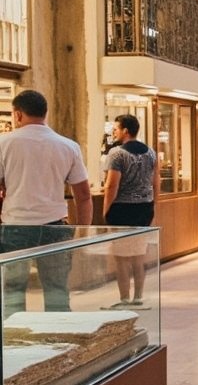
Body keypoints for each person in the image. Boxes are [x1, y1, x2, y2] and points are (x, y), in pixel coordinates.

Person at [0, 89, 93, 317]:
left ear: (18, 114)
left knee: (13, 291)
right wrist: (83, 231)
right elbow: (83, 195)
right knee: (57, 290)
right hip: (55, 227)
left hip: (15, 226)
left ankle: (16, 335)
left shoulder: (4, 143)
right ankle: (58, 335)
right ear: (45, 113)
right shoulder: (68, 146)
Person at [102, 113, 158, 307]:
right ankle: (139, 296)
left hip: (122, 208)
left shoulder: (117, 153)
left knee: (121, 258)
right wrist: (153, 204)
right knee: (138, 256)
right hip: (144, 207)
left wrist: (106, 210)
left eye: (116, 129)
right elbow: (155, 181)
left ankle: (124, 297)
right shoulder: (150, 152)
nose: (114, 132)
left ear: (125, 130)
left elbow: (111, 185)